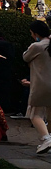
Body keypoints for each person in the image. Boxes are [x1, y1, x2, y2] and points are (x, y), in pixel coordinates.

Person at [22, 20, 51, 154]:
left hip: (41, 84)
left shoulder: (37, 46)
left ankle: (46, 139)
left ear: (36, 33)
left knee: (35, 114)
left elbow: (25, 57)